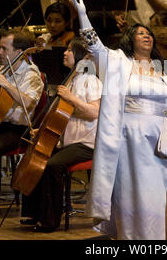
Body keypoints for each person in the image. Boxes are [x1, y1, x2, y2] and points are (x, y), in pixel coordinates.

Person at [69, 0, 167, 240]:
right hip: (129, 139)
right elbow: (95, 46)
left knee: (159, 194)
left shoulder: (164, 71)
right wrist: (83, 17)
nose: (147, 36)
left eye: (149, 34)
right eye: (141, 33)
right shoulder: (118, 62)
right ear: (130, 39)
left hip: (159, 140)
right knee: (132, 194)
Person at [20, 38, 102, 232]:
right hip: (70, 142)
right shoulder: (72, 80)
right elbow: (64, 115)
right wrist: (42, 130)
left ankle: (50, 220)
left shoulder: (92, 80)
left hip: (87, 144)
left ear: (82, 56)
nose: (65, 53)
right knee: (37, 160)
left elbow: (94, 112)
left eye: (70, 50)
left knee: (52, 165)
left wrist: (70, 98)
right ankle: (35, 213)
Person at [0, 29, 44, 219]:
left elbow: (30, 102)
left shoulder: (32, 75)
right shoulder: (4, 68)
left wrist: (7, 85)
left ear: (19, 51)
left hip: (20, 130)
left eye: (4, 48)